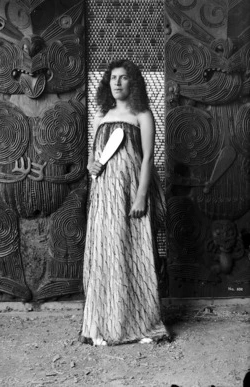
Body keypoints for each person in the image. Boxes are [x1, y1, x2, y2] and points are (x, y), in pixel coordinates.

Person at [81, 59, 169, 346]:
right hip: (105, 196)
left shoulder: (142, 115)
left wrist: (142, 196)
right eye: (113, 78)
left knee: (134, 252)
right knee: (107, 254)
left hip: (131, 192)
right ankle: (104, 325)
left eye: (123, 78)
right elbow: (93, 158)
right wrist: (91, 165)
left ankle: (142, 324)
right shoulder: (100, 115)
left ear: (134, 83)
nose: (117, 83)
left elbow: (147, 159)